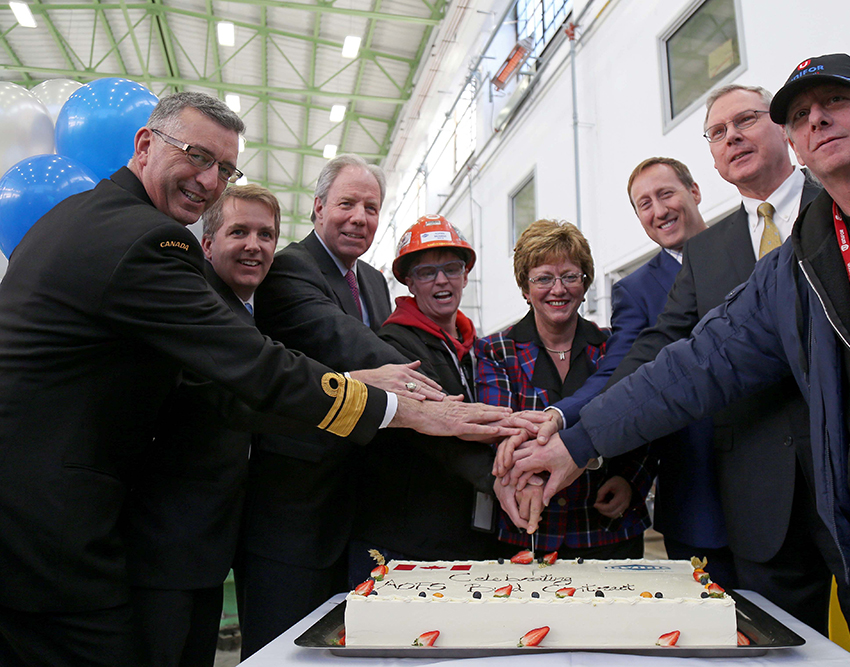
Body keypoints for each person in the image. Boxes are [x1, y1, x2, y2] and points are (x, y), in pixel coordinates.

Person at [503, 53, 850, 666]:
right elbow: (687, 365)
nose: (816, 120)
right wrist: (575, 442)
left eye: (834, 103)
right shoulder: (799, 265)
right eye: (800, 114)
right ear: (795, 136)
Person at [0, 92, 510, 667]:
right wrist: (402, 407)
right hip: (54, 526)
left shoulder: (86, 218)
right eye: (195, 155)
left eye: (224, 167)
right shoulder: (149, 242)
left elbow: (210, 390)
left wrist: (361, 386)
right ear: (144, 146)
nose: (207, 179)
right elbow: (259, 368)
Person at [606, 85, 850, 665]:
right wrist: (573, 424)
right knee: (776, 656)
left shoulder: (847, 198)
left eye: (746, 119)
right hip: (762, 500)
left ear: (786, 130)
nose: (732, 136)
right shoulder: (706, 252)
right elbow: (661, 349)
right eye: (718, 132)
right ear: (713, 160)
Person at [236, 154, 520, 657]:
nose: (359, 217)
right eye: (346, 203)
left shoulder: (369, 280)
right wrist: (449, 409)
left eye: (371, 207)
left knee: (340, 649)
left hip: (354, 508)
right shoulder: (288, 271)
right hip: (294, 512)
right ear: (318, 208)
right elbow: (360, 351)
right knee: (281, 650)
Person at [532, 158, 733, 584]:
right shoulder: (636, 290)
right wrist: (563, 415)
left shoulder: (746, 245)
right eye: (644, 204)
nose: (658, 211)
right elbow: (624, 371)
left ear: (694, 191)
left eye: (666, 194)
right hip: (694, 486)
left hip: (777, 473)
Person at [122, 184, 281, 667]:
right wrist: (353, 393)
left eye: (266, 234)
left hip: (208, 549)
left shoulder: (251, 316)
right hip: (165, 548)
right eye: (239, 232)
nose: (254, 245)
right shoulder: (197, 311)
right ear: (207, 244)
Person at [477, 219, 654, 559]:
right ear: (525, 289)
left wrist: (630, 481)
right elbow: (499, 431)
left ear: (585, 283)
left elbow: (642, 423)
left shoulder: (613, 349)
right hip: (529, 532)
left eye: (570, 276)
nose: (558, 289)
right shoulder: (496, 351)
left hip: (607, 531)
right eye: (543, 278)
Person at [349, 215, 504, 583]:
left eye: (451, 268)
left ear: (465, 275)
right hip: (405, 546)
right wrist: (504, 477)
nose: (441, 280)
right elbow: (436, 435)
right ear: (409, 282)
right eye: (426, 272)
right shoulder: (396, 347)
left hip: (462, 538)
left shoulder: (475, 348)